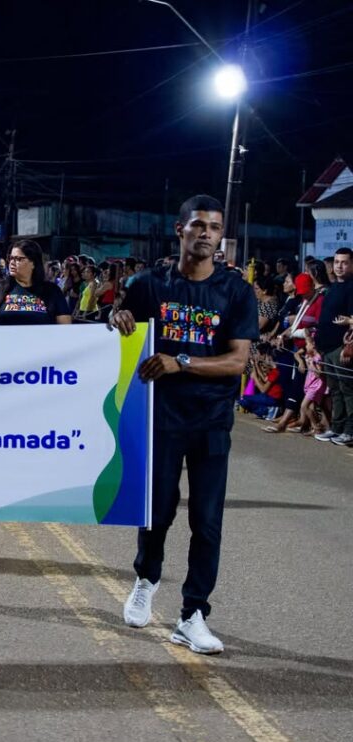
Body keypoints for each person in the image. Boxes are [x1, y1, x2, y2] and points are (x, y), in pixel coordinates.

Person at [113, 194, 257, 654]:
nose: (206, 234)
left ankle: (193, 614)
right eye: (198, 225)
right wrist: (116, 317)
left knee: (207, 521)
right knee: (157, 511)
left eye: (214, 228)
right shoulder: (148, 285)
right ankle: (146, 578)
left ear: (221, 236)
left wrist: (182, 362)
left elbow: (237, 361)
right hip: (161, 418)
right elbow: (121, 333)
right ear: (180, 230)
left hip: (211, 421)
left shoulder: (236, 291)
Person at [313, 248, 353, 445]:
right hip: (327, 348)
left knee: (348, 390)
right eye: (337, 262)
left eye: (344, 262)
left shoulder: (351, 288)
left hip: (341, 348)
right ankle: (337, 428)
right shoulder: (333, 287)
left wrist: (349, 346)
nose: (339, 266)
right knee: (335, 390)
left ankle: (350, 431)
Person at [0, 240, 71, 326]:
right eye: (11, 258)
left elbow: (65, 327)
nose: (12, 262)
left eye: (18, 259)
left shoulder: (52, 291)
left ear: (33, 263)